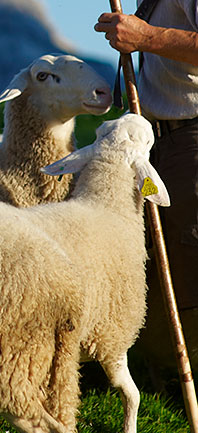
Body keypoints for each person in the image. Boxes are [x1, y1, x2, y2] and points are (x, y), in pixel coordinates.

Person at [95, 1, 198, 378]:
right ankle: (160, 380)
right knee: (163, 263)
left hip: (193, 136)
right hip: (162, 137)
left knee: (191, 265)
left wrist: (147, 37)